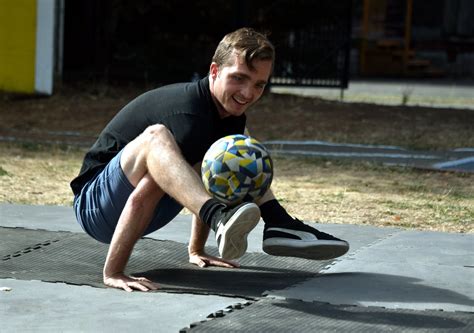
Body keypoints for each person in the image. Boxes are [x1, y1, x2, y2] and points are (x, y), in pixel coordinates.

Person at [71, 27, 349, 292]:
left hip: (146, 215)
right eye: (238, 78)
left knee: (232, 153)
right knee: (157, 136)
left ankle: (278, 222)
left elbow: (211, 174)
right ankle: (221, 218)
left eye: (259, 84)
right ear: (214, 71)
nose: (248, 93)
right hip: (97, 207)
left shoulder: (228, 117)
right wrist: (114, 272)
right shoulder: (188, 116)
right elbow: (143, 194)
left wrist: (197, 250)